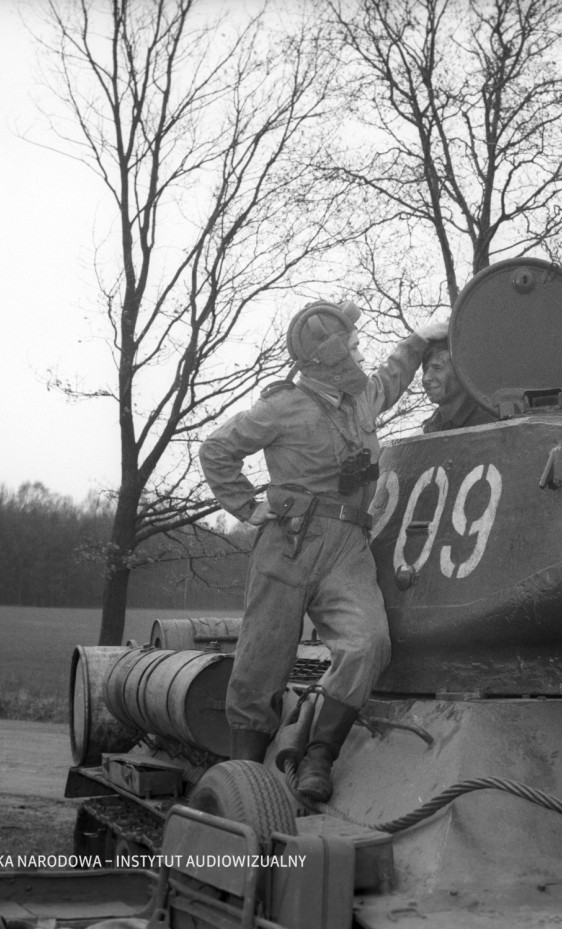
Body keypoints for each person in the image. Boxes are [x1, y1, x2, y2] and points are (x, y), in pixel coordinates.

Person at [199, 300, 448, 801]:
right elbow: (217, 448)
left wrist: (421, 339)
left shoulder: (360, 401)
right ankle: (242, 776)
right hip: (288, 543)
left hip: (347, 547)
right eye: (354, 347)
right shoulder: (281, 406)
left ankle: (319, 756)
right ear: (332, 357)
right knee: (261, 661)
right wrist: (246, 506)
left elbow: (392, 376)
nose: (362, 355)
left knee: (367, 644)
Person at [420, 339, 498, 432]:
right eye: (425, 369)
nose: (426, 378)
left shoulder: (487, 423)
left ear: (463, 372)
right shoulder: (430, 427)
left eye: (437, 368)